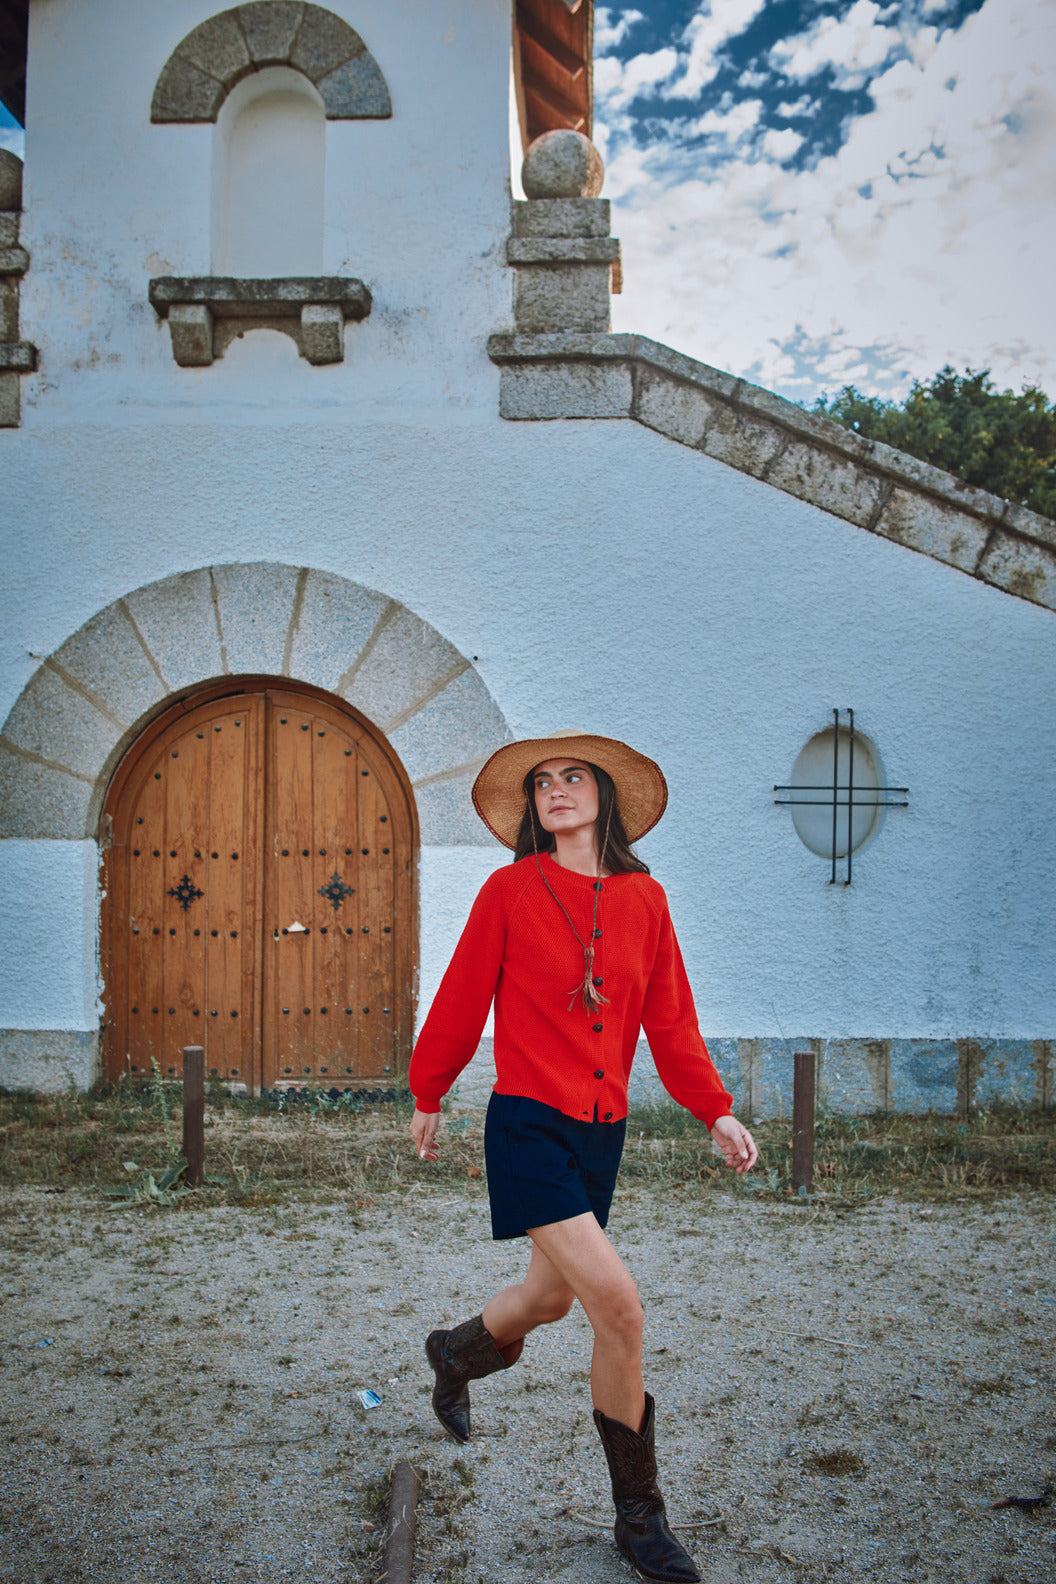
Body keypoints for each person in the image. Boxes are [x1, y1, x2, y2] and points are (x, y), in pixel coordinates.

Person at [408, 730, 757, 1584]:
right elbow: (460, 994)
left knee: (547, 1299)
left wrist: (714, 1108)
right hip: (526, 1123)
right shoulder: (509, 889)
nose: (556, 791)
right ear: (531, 809)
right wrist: (429, 1089)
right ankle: (640, 1521)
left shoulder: (647, 900)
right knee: (619, 1308)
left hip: (600, 1131)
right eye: (541, 784)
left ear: (604, 795)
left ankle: (455, 1354)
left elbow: (670, 1019)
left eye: (573, 778)